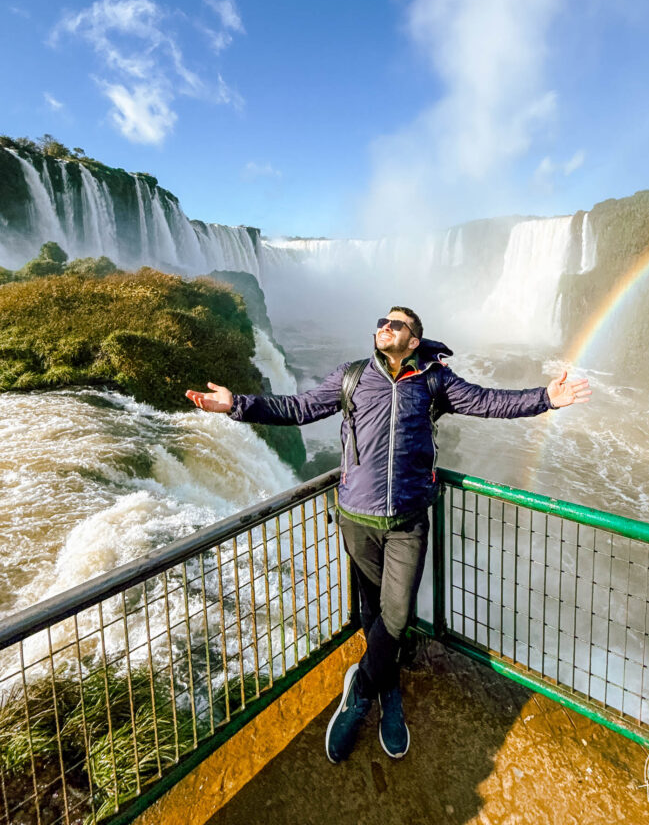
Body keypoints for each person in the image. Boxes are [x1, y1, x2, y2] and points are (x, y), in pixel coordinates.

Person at [185, 306, 590, 764]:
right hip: (357, 518)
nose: (384, 327)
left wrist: (546, 398)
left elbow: (489, 401)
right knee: (370, 611)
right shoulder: (352, 377)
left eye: (395, 324)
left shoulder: (436, 381)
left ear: (414, 340)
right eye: (382, 321)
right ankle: (389, 687)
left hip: (408, 521)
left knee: (396, 616)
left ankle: (361, 688)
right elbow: (298, 408)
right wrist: (236, 404)